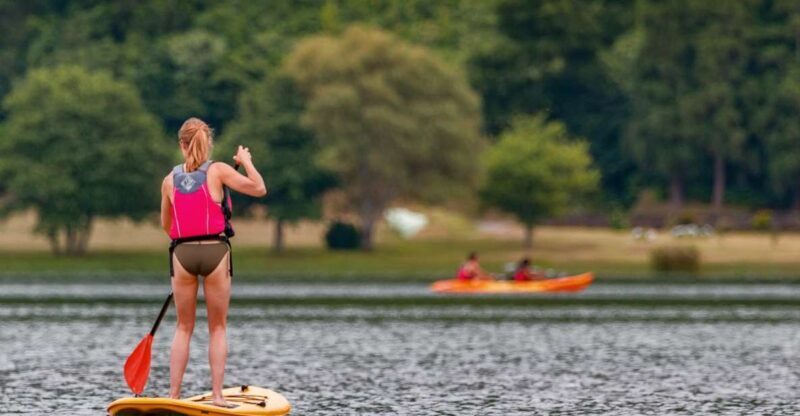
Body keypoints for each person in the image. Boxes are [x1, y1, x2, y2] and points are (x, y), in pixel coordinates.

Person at [160, 117, 267, 407]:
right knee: (217, 328)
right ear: (208, 143)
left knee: (183, 327)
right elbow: (259, 189)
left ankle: (173, 396)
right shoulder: (219, 171)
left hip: (182, 255)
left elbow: (167, 226)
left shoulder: (169, 180)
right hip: (216, 252)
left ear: (181, 144)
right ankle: (218, 396)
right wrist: (245, 161)